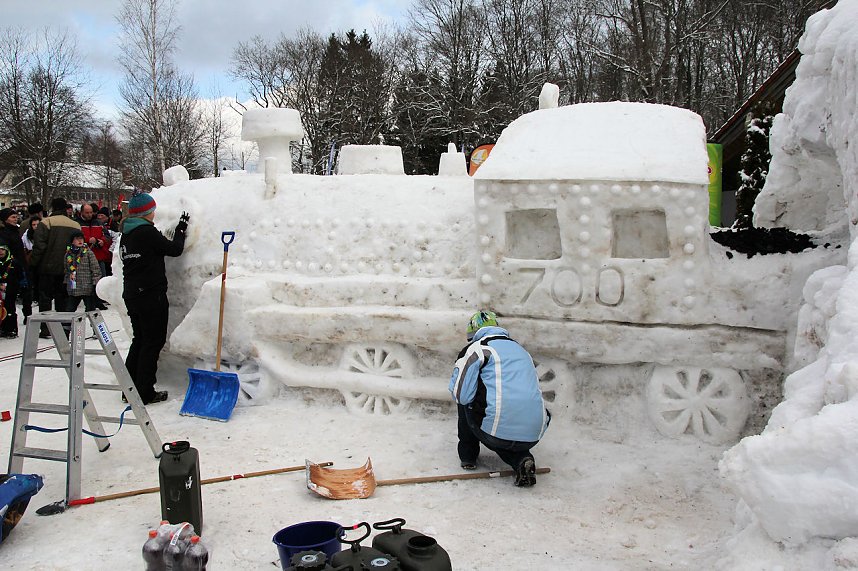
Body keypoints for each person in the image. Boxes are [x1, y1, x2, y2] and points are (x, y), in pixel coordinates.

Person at [449, 310, 550, 487]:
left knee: (468, 402)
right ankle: (522, 459)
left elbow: (462, 396)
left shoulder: (478, 349)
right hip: (533, 433)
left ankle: (468, 455)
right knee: (507, 432)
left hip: (497, 430)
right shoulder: (522, 351)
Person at [121, 191, 189, 405]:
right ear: (146, 212)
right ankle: (144, 391)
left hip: (132, 293)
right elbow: (174, 249)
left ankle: (129, 388)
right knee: (152, 342)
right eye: (152, 210)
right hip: (150, 294)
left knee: (140, 339)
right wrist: (180, 230)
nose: (154, 213)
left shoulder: (127, 233)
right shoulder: (146, 232)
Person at [30, 197, 81, 338]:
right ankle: (62, 329)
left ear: (52, 207)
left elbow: (39, 246)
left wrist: (33, 264)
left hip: (47, 267)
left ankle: (46, 328)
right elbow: (79, 247)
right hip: (68, 268)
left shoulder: (46, 223)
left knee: (45, 299)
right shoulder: (75, 225)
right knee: (63, 299)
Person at [77, 203, 111, 308]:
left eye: (91, 212)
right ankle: (89, 302)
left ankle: (99, 300)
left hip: (98, 255)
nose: (89, 215)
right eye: (87, 212)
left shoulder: (99, 223)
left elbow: (107, 236)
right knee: (86, 281)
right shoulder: (77, 223)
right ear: (82, 212)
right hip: (83, 257)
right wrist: (87, 239)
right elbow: (74, 237)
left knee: (100, 279)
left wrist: (102, 241)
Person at [0, 208, 25, 337]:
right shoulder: (4, 233)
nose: (16, 219)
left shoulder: (16, 231)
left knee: (10, 303)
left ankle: (11, 327)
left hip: (13, 270)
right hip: (6, 267)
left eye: (16, 217)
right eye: (13, 217)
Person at [63, 230, 101, 313]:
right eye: (77, 239)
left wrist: (95, 283)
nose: (80, 241)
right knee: (69, 310)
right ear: (72, 241)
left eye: (81, 239)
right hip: (73, 286)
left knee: (90, 311)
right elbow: (67, 270)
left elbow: (95, 269)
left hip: (87, 286)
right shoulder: (68, 254)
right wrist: (66, 283)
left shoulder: (88, 253)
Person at [20, 216, 40, 324]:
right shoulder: (26, 236)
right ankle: (27, 315)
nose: (36, 227)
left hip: (41, 265)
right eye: (33, 224)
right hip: (29, 264)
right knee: (28, 290)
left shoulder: (45, 234)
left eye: (37, 224)